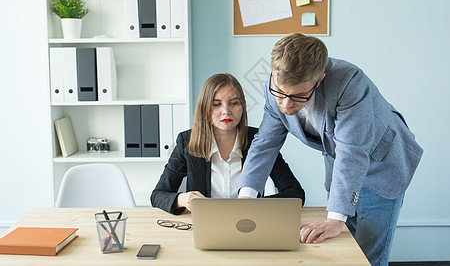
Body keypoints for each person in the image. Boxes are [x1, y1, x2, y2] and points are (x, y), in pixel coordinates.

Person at [238, 33, 423, 265]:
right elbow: (265, 143)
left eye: (297, 96)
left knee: (367, 257)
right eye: (280, 92)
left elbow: (352, 151)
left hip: (381, 164)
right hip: (341, 169)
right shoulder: (276, 85)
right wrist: (245, 199)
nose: (285, 103)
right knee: (342, 251)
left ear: (319, 81)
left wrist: (335, 219)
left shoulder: (350, 82)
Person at [151, 73, 305, 215]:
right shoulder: (187, 141)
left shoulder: (259, 140)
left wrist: (256, 204)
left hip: (249, 222)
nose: (226, 111)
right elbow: (158, 195)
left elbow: (296, 193)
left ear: (242, 107)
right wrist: (183, 199)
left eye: (234, 103)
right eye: (216, 104)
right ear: (205, 108)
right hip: (206, 224)